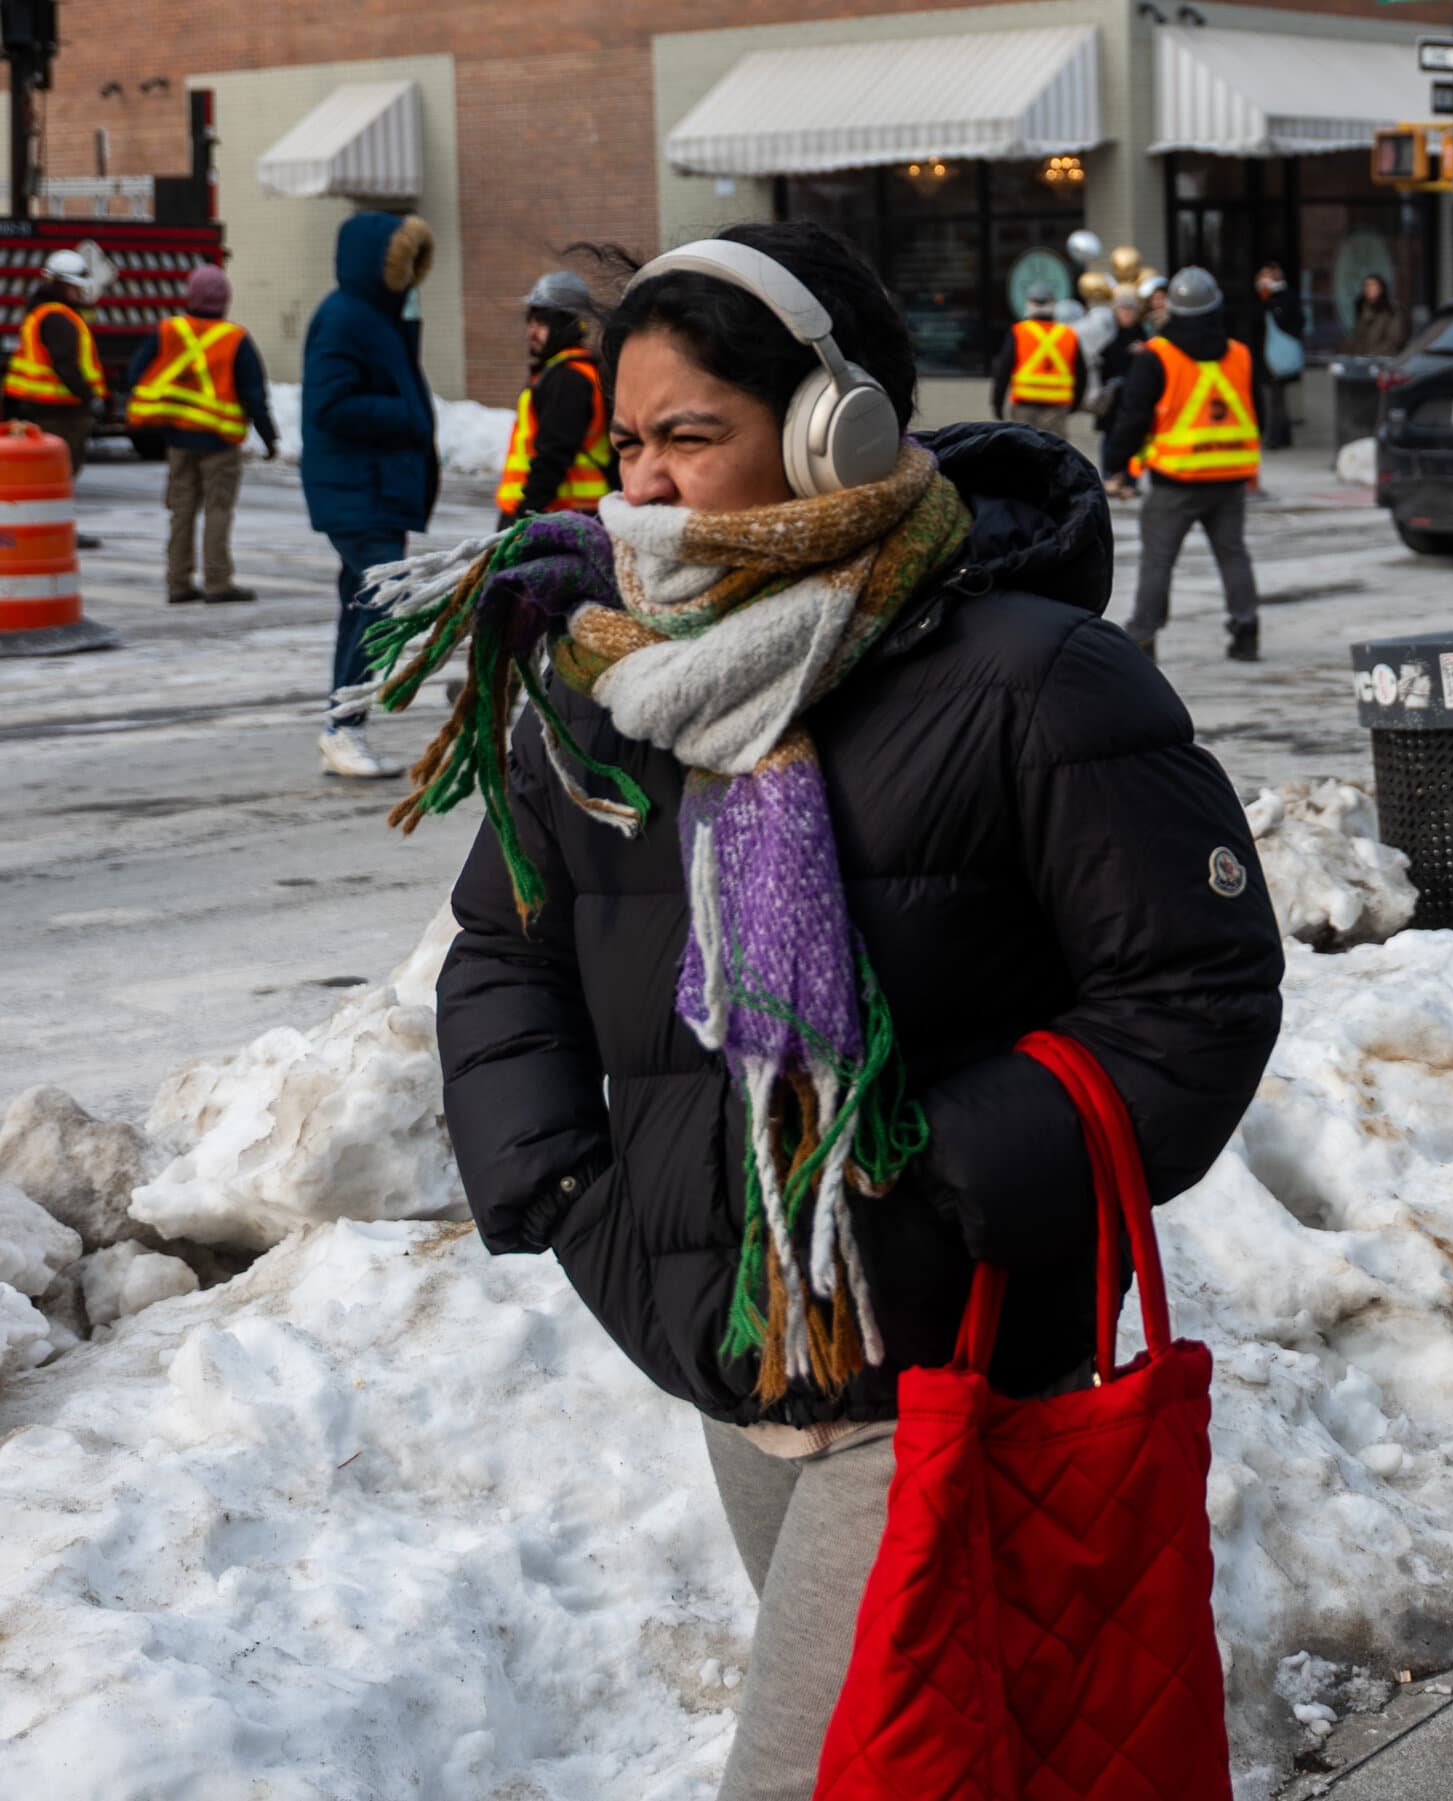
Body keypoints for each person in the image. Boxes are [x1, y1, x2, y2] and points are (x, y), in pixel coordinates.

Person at [404, 221, 1283, 1798]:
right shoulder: (601, 680)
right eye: (629, 444)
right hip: (727, 1342)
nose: (646, 486)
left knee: (813, 1775)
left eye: (692, 437)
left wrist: (934, 1174)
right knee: (937, 1751)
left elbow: (1193, 994)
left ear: (835, 428)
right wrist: (558, 1186)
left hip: (950, 1348)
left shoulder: (1032, 678)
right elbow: (501, 946)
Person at [301, 212, 438, 781]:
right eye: (401, 264)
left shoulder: (377, 316)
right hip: (356, 489)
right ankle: (344, 726)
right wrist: (405, 414)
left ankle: (343, 723)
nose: (408, 278)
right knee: (387, 600)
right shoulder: (344, 318)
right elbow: (327, 405)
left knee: (361, 604)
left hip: (374, 488)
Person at [1106, 264, 1262, 664]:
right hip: (1229, 478)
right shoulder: (1240, 355)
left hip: (1177, 480)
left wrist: (1116, 465)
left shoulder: (1157, 356)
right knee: (1233, 554)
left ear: (1171, 310)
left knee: (1158, 557)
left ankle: (1143, 636)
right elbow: (1253, 408)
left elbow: (1132, 416)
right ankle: (1246, 631)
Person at [124, 265, 279, 605]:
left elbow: (136, 373)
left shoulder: (167, 331)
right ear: (224, 301)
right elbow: (254, 395)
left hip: (178, 439)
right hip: (220, 444)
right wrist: (269, 437)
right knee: (217, 511)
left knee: (181, 511)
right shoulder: (235, 339)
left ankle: (178, 582)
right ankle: (217, 582)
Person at [5, 249, 107, 545]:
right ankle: (54, 530)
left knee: (45, 476)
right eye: (76, 286)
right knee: (60, 475)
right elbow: (65, 364)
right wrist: (89, 397)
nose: (80, 292)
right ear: (64, 285)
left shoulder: (40, 313)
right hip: (61, 412)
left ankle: (43, 528)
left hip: (41, 408)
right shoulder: (59, 319)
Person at [495, 270, 612, 526]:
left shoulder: (568, 379)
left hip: (557, 515)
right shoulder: (567, 372)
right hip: (567, 513)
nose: (532, 331)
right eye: (531, 320)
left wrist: (525, 513)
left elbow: (554, 453)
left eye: (542, 322)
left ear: (566, 325)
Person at [988, 281, 1087, 440]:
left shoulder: (1019, 332)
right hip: (1056, 409)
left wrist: (997, 403)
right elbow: (1082, 374)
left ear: (1029, 304)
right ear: (1053, 304)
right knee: (1053, 454)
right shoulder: (1068, 334)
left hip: (1024, 407)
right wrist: (1075, 404)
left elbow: (1003, 370)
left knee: (1024, 453)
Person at [1251, 262, 1305, 451]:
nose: (1265, 279)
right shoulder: (1258, 298)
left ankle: (1275, 436)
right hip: (1262, 354)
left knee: (1276, 397)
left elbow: (1294, 322)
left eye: (1269, 275)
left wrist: (1272, 302)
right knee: (1273, 396)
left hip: (1278, 354)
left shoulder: (1285, 296)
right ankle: (1281, 434)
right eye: (1262, 275)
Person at [1095, 288, 1145, 491]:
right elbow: (1103, 364)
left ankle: (1131, 480)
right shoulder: (1108, 335)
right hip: (1113, 399)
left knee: (1136, 441)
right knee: (1109, 438)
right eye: (1123, 310)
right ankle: (1110, 477)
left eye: (1131, 310)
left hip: (1135, 398)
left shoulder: (1142, 334)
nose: (1127, 314)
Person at [1347, 273, 1407, 359]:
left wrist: (1371, 355)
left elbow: (1395, 339)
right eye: (1367, 285)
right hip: (1361, 359)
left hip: (1384, 359)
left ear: (1381, 288)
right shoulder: (1361, 308)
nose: (1369, 289)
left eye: (1373, 285)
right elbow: (1357, 338)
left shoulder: (1391, 309)